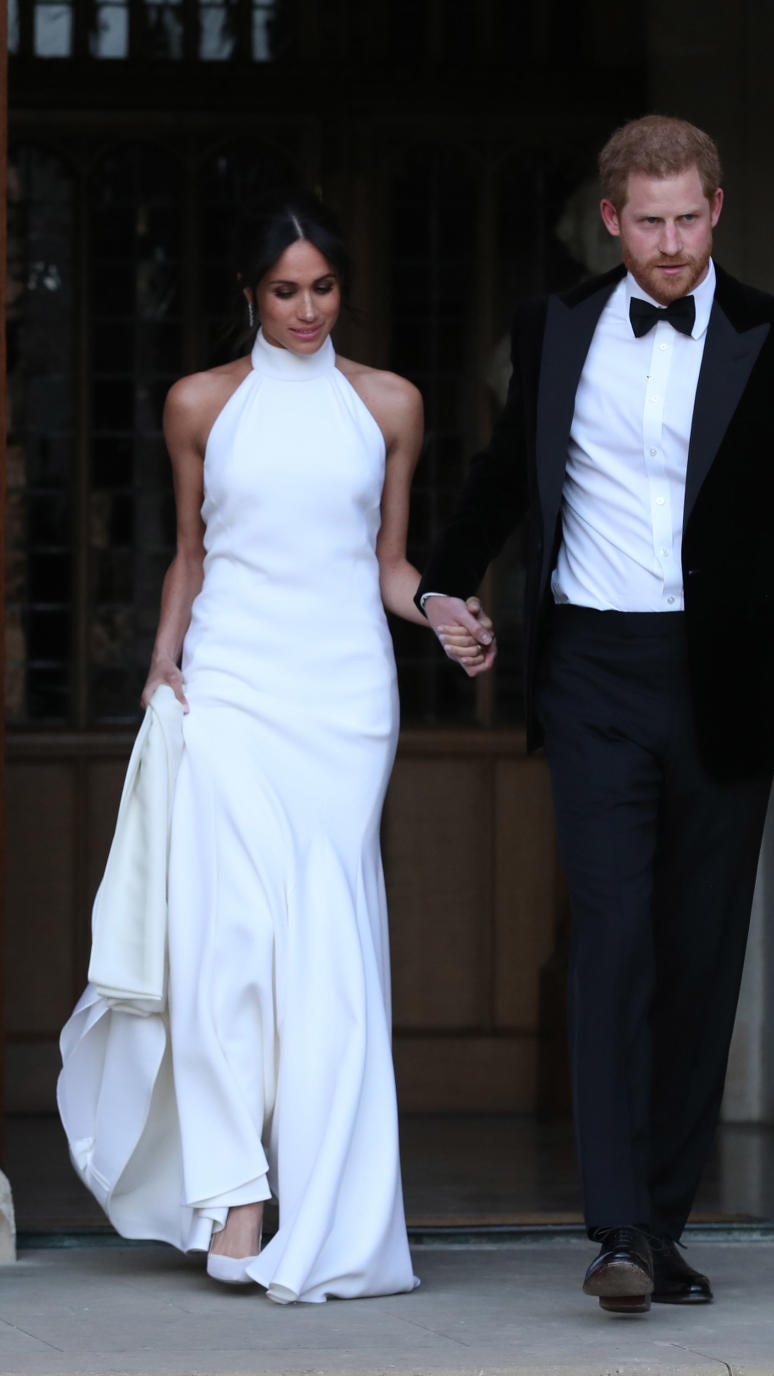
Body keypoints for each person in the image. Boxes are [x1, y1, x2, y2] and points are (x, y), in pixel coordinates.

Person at [416, 117, 774, 1314]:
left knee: (697, 954)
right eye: (650, 221)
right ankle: (617, 1226)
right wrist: (440, 584)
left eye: (690, 218)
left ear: (717, 209)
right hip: (595, 675)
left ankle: (661, 1226)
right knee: (615, 939)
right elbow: (503, 479)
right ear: (612, 217)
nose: (671, 244)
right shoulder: (557, 325)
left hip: (730, 678)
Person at [60, 193, 485, 1304]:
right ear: (250, 294)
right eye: (285, 290)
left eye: (324, 288)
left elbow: (386, 561)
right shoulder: (200, 401)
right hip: (234, 686)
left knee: (328, 951)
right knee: (227, 944)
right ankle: (238, 1194)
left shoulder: (388, 403)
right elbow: (191, 552)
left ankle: (330, 1204)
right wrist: (162, 664)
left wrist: (438, 606)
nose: (306, 309)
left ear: (345, 290)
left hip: (345, 700)